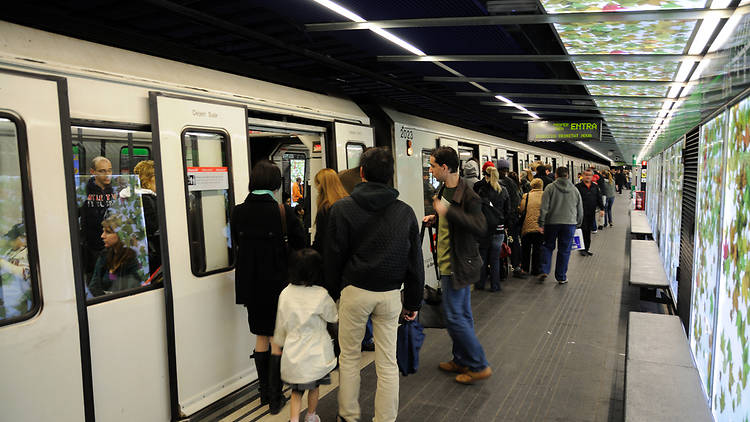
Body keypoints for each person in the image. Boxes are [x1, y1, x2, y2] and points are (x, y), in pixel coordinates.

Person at [325, 147, 424, 422]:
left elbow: (333, 256)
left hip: (354, 292)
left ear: (361, 174)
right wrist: (413, 302)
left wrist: (335, 293)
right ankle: (385, 418)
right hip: (390, 295)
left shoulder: (341, 209)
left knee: (349, 358)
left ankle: (348, 415)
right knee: (387, 363)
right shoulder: (405, 213)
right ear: (390, 176)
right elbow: (414, 261)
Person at [231, 160, 305, 415]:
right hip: (278, 284)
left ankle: (264, 393)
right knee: (277, 338)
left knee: (260, 335)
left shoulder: (237, 212)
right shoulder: (283, 212)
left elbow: (233, 243)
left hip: (251, 284)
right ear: (276, 184)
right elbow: (301, 244)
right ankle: (276, 397)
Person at [424, 146, 492, 385]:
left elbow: (480, 227)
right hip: (446, 262)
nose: (431, 170)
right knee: (461, 314)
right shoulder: (444, 189)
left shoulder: (469, 195)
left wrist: (448, 212)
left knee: (454, 317)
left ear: (444, 167)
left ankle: (479, 364)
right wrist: (436, 218)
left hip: (458, 263)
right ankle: (461, 358)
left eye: (433, 166)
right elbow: (449, 221)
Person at [273, 248, 337, 422]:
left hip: (294, 353)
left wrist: (278, 344)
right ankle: (310, 415)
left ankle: (294, 419)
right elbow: (333, 316)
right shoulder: (321, 294)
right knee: (314, 387)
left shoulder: (285, 293)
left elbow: (281, 323)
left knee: (296, 391)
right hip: (316, 354)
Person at [538, 167, 583, 284]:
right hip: (569, 224)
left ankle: (544, 270)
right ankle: (561, 276)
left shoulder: (550, 188)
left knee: (548, 246)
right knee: (564, 250)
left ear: (556, 175)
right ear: (567, 175)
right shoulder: (575, 190)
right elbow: (580, 209)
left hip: (551, 223)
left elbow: (544, 207)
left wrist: (541, 223)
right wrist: (578, 223)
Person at [119, 160, 161, 274]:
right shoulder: (147, 200)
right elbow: (153, 227)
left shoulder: (127, 196)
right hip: (147, 252)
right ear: (147, 179)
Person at [473, 164, 509, 291]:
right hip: (499, 228)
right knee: (495, 259)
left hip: (485, 228)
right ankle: (495, 285)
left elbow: (477, 209)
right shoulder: (503, 190)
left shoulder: (482, 190)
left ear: (486, 176)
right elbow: (507, 210)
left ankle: (480, 284)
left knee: (482, 257)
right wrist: (505, 225)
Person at [80, 156, 116, 280]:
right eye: (102, 171)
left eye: (110, 170)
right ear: (92, 172)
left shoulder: (116, 190)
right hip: (93, 245)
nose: (107, 175)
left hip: (112, 245)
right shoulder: (83, 192)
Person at [88, 213, 141, 296]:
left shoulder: (134, 260)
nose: (102, 236)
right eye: (103, 231)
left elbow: (132, 291)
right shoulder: (104, 255)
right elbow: (93, 287)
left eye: (108, 232)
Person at [312, 168, 349, 255]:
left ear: (322, 185)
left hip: (331, 257)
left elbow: (321, 239)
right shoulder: (348, 203)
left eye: (318, 184)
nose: (317, 188)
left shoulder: (325, 209)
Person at [496, 159, 523, 277]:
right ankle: (516, 265)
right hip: (510, 219)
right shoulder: (511, 183)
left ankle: (499, 267)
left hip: (498, 219)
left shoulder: (494, 182)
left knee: (499, 243)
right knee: (513, 241)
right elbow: (516, 200)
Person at [576, 170, 606, 257]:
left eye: (589, 175)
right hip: (581, 213)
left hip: (591, 213)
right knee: (583, 230)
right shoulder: (578, 187)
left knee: (588, 231)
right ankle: (582, 249)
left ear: (592, 176)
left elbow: (599, 198)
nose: (588, 177)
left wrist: (602, 208)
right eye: (586, 175)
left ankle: (586, 249)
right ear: (582, 176)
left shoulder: (595, 187)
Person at [519, 178, 545, 276]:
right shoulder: (545, 195)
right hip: (540, 227)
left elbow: (521, 209)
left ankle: (525, 268)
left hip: (527, 226)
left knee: (526, 249)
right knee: (537, 249)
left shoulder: (527, 196)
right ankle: (536, 269)